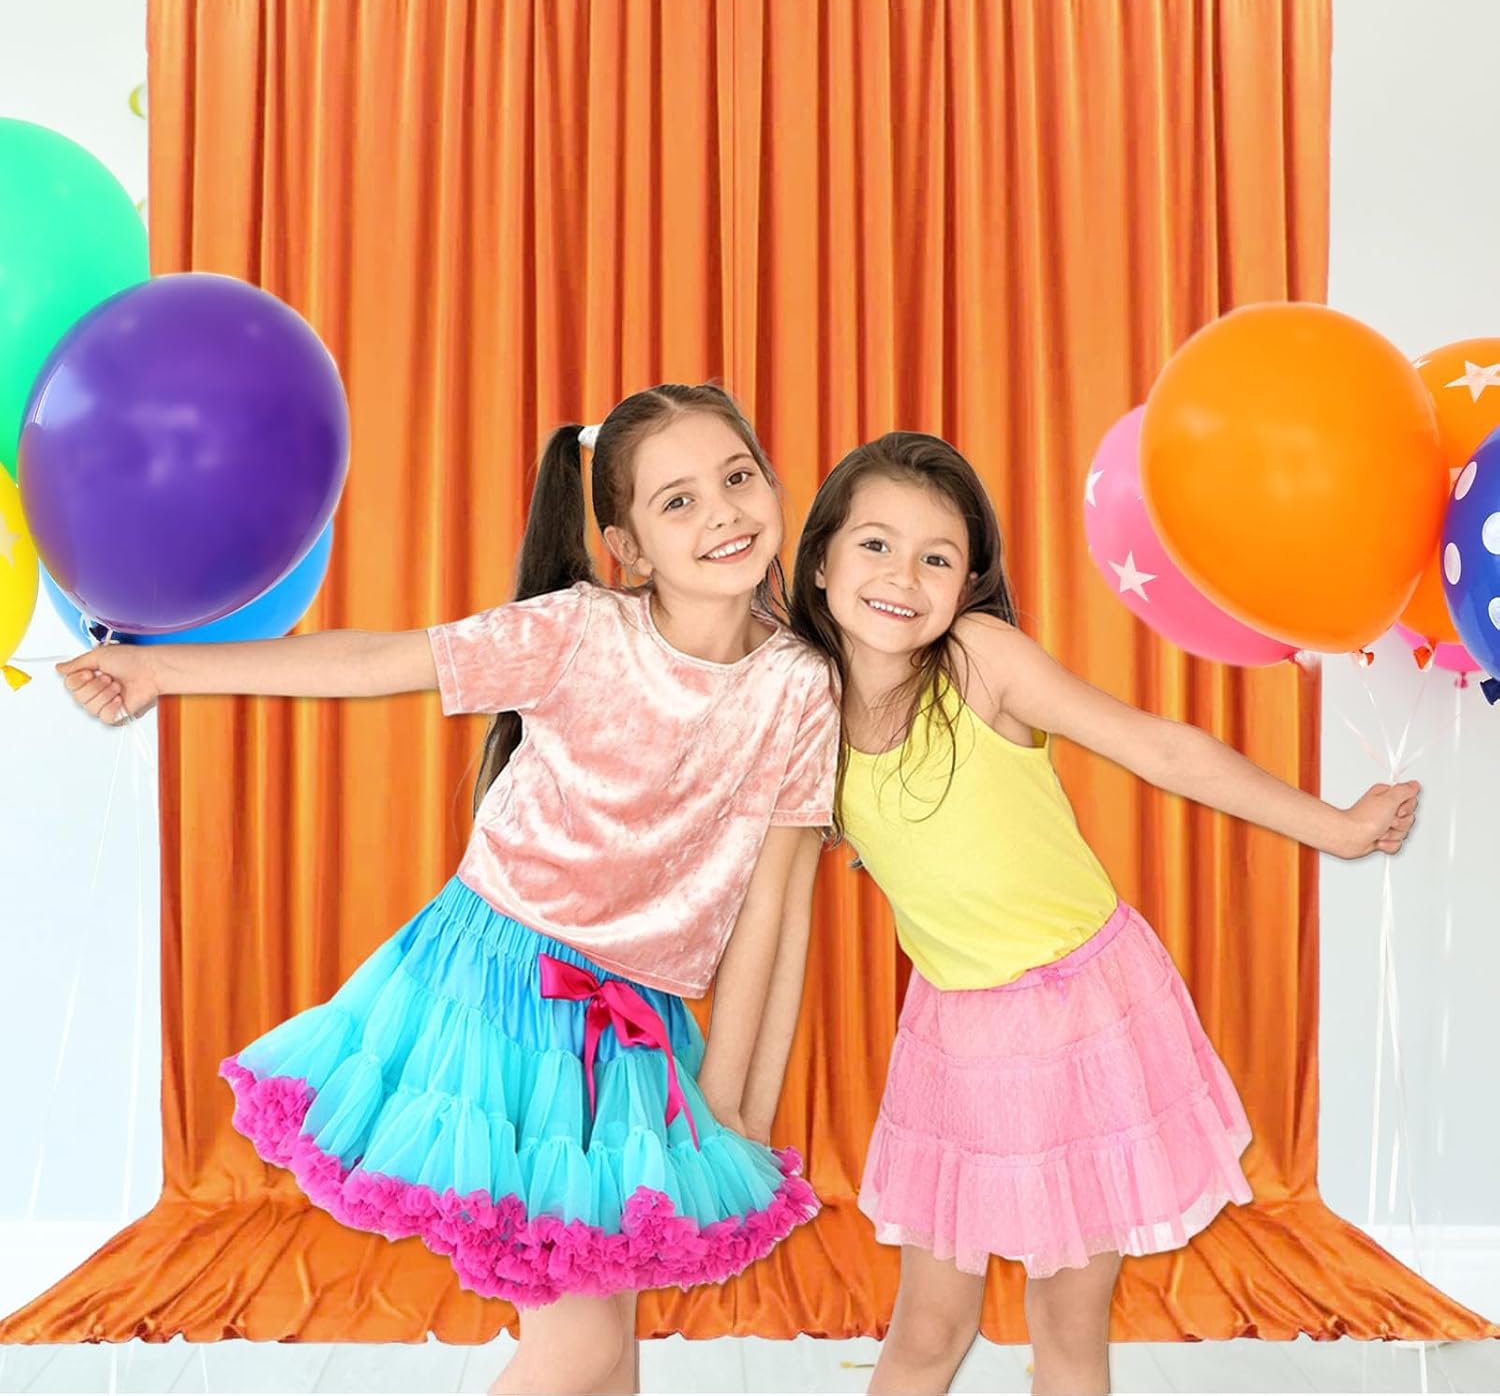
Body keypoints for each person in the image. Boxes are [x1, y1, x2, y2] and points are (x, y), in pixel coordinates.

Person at [60, 383, 838, 1396]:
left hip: (635, 1027)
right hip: (497, 992)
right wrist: (166, 674)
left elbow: (778, 902)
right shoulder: (578, 631)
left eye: (738, 479)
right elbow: (378, 661)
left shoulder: (800, 683)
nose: (723, 514)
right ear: (628, 547)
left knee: (612, 1351)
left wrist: (736, 1108)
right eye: (678, 501)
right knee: (581, 1345)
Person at [788, 431, 1418, 1396]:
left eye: (936, 558)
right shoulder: (803, 706)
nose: (902, 577)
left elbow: (1162, 749)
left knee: (1067, 1327)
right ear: (821, 561)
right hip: (957, 1032)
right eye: (875, 545)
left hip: (1083, 1013)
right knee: (928, 1327)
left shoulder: (979, 662)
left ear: (968, 586)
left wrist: (1336, 828)